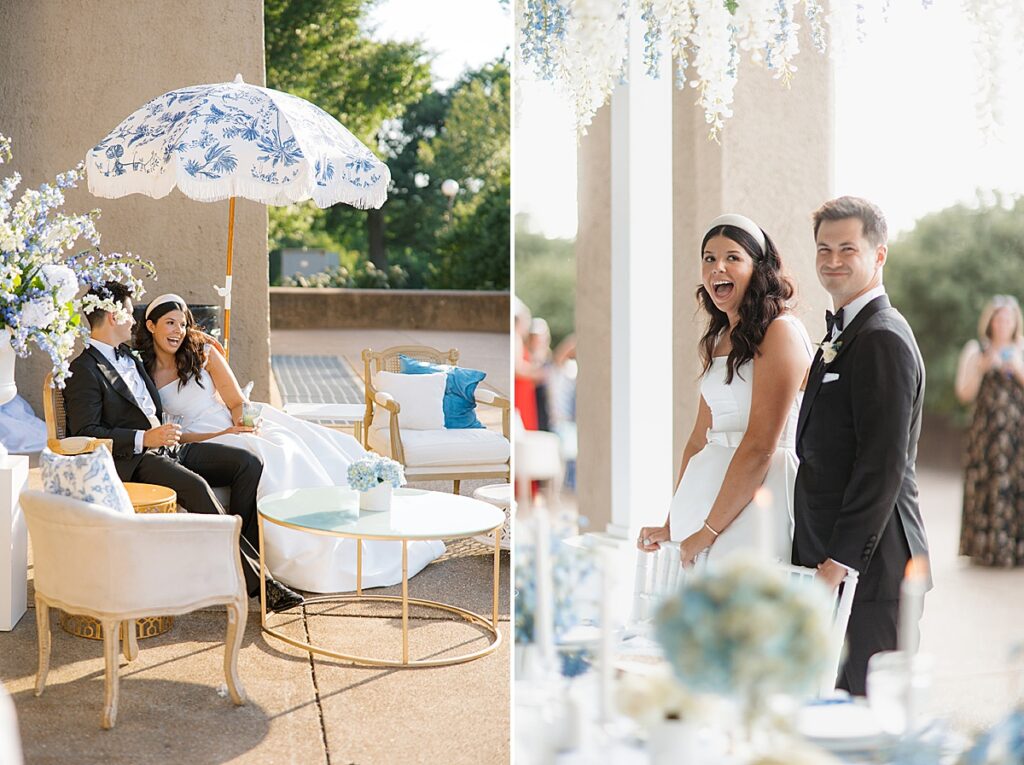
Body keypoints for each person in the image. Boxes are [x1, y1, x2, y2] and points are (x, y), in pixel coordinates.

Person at [134, 294, 444, 593]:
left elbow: (237, 402)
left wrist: (242, 426)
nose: (178, 331)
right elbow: (169, 433)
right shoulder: (143, 372)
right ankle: (254, 558)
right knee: (261, 460)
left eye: (183, 324)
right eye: (170, 323)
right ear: (151, 326)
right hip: (196, 440)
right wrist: (216, 437)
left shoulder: (203, 352)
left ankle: (313, 541)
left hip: (232, 422)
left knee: (285, 450)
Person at [62, 283, 303, 613]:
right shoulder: (83, 368)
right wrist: (143, 439)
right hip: (133, 458)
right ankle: (260, 584)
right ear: (113, 315)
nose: (134, 321)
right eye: (129, 313)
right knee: (195, 486)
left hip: (169, 448)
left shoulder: (130, 359)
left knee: (247, 463)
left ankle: (236, 562)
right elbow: (84, 431)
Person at [793, 196, 931, 696]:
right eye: (824, 249)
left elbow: (883, 463)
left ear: (879, 255)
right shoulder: (845, 334)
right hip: (838, 563)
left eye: (847, 248)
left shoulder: (882, 337)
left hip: (872, 570)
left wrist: (840, 560)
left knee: (872, 719)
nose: (832, 260)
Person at [637, 214, 812, 567]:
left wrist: (709, 531)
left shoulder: (781, 332)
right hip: (704, 496)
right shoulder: (718, 339)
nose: (718, 267)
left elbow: (761, 445)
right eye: (709, 258)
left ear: (758, 268)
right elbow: (699, 439)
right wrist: (673, 521)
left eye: (732, 257)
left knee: (735, 609)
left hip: (760, 494)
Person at [955, 295, 1024, 567]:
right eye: (998, 317)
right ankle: (985, 549)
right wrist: (983, 367)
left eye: (1008, 318)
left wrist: (1017, 370)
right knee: (987, 486)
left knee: (1015, 487)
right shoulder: (976, 350)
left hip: (1017, 436)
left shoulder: (1021, 348)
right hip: (986, 436)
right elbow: (964, 393)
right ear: (990, 321)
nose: (1003, 323)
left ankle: (1013, 550)